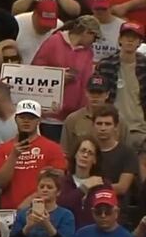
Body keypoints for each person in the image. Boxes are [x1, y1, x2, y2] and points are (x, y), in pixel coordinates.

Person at [31, 15, 100, 141]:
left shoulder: (88, 52)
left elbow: (86, 82)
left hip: (73, 117)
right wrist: (58, 77)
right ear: (86, 32)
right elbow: (35, 70)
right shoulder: (54, 42)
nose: (94, 42)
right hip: (50, 115)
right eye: (94, 37)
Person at [0, 100, 67, 210]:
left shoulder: (53, 148)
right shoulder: (2, 149)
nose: (26, 121)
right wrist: (14, 156)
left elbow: (58, 181)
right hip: (9, 210)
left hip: (42, 209)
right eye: (23, 117)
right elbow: (0, 183)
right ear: (16, 119)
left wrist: (30, 202)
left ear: (39, 120)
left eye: (31, 118)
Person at [9, 169, 75, 237]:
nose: (45, 190)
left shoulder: (66, 215)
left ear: (57, 192)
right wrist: (28, 227)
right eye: (42, 186)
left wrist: (47, 225)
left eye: (49, 187)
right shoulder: (23, 214)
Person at [96, 22, 146, 150]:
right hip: (112, 129)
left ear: (140, 42)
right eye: (126, 36)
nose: (130, 40)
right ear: (119, 39)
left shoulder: (144, 67)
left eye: (134, 37)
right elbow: (97, 96)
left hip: (140, 130)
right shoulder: (105, 65)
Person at [57, 136, 108, 230]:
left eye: (90, 153)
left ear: (95, 160)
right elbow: (60, 205)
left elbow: (108, 211)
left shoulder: (103, 184)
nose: (85, 155)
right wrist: (83, 189)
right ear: (75, 154)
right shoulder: (62, 182)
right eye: (82, 151)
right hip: (67, 233)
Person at [60, 74, 116, 156]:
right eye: (92, 92)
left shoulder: (118, 121)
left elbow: (125, 151)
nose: (95, 96)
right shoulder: (72, 119)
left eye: (99, 93)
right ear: (86, 92)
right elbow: (65, 152)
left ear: (107, 94)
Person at [91, 105, 138, 202]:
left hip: (117, 207)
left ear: (116, 127)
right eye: (99, 123)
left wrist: (89, 188)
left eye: (107, 124)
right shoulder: (87, 151)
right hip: (89, 205)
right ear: (93, 126)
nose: (103, 128)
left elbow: (122, 188)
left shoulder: (128, 153)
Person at [14, 0, 63, 64]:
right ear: (35, 14)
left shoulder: (60, 27)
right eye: (42, 25)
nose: (45, 28)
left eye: (49, 26)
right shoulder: (17, 24)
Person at [91, 0, 125, 64]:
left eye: (103, 9)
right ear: (92, 9)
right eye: (97, 9)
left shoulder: (122, 25)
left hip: (112, 66)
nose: (100, 12)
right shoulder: (84, 23)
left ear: (110, 9)